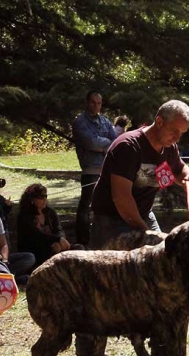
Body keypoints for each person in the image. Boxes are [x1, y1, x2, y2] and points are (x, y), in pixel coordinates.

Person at [90, 99, 189, 249]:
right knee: (112, 269)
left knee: (162, 257)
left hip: (144, 215)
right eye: (174, 131)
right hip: (111, 219)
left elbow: (179, 169)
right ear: (159, 121)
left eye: (182, 133)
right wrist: (146, 232)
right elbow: (121, 198)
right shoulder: (128, 146)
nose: (177, 138)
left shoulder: (169, 148)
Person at [72, 91, 117, 246]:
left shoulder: (105, 121)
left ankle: (103, 238)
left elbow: (115, 141)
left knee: (105, 206)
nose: (96, 106)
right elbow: (91, 142)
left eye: (99, 103)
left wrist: (102, 144)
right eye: (93, 102)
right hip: (90, 169)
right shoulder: (80, 122)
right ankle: (82, 241)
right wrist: (106, 144)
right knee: (86, 205)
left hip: (106, 168)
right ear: (87, 102)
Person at [17, 184, 83, 268]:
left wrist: (60, 241)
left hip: (55, 245)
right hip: (37, 249)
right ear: (32, 199)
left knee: (79, 248)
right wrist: (56, 240)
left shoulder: (50, 212)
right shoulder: (24, 216)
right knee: (49, 252)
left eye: (45, 196)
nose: (44, 199)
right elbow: (36, 235)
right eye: (41, 197)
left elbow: (59, 229)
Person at [0, 184, 34, 285]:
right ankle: (9, 278)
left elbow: (3, 244)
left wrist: (4, 260)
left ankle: (4, 276)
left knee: (29, 258)